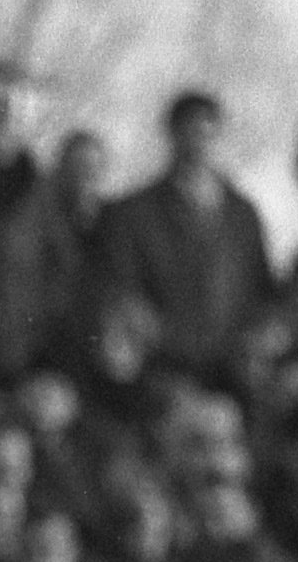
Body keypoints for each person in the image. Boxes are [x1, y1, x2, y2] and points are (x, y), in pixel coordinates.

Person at [91, 92, 274, 385]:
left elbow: (262, 287)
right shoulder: (134, 213)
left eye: (208, 133)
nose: (200, 144)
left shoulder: (242, 215)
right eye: (190, 132)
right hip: (160, 367)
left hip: (231, 369)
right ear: (172, 135)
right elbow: (121, 287)